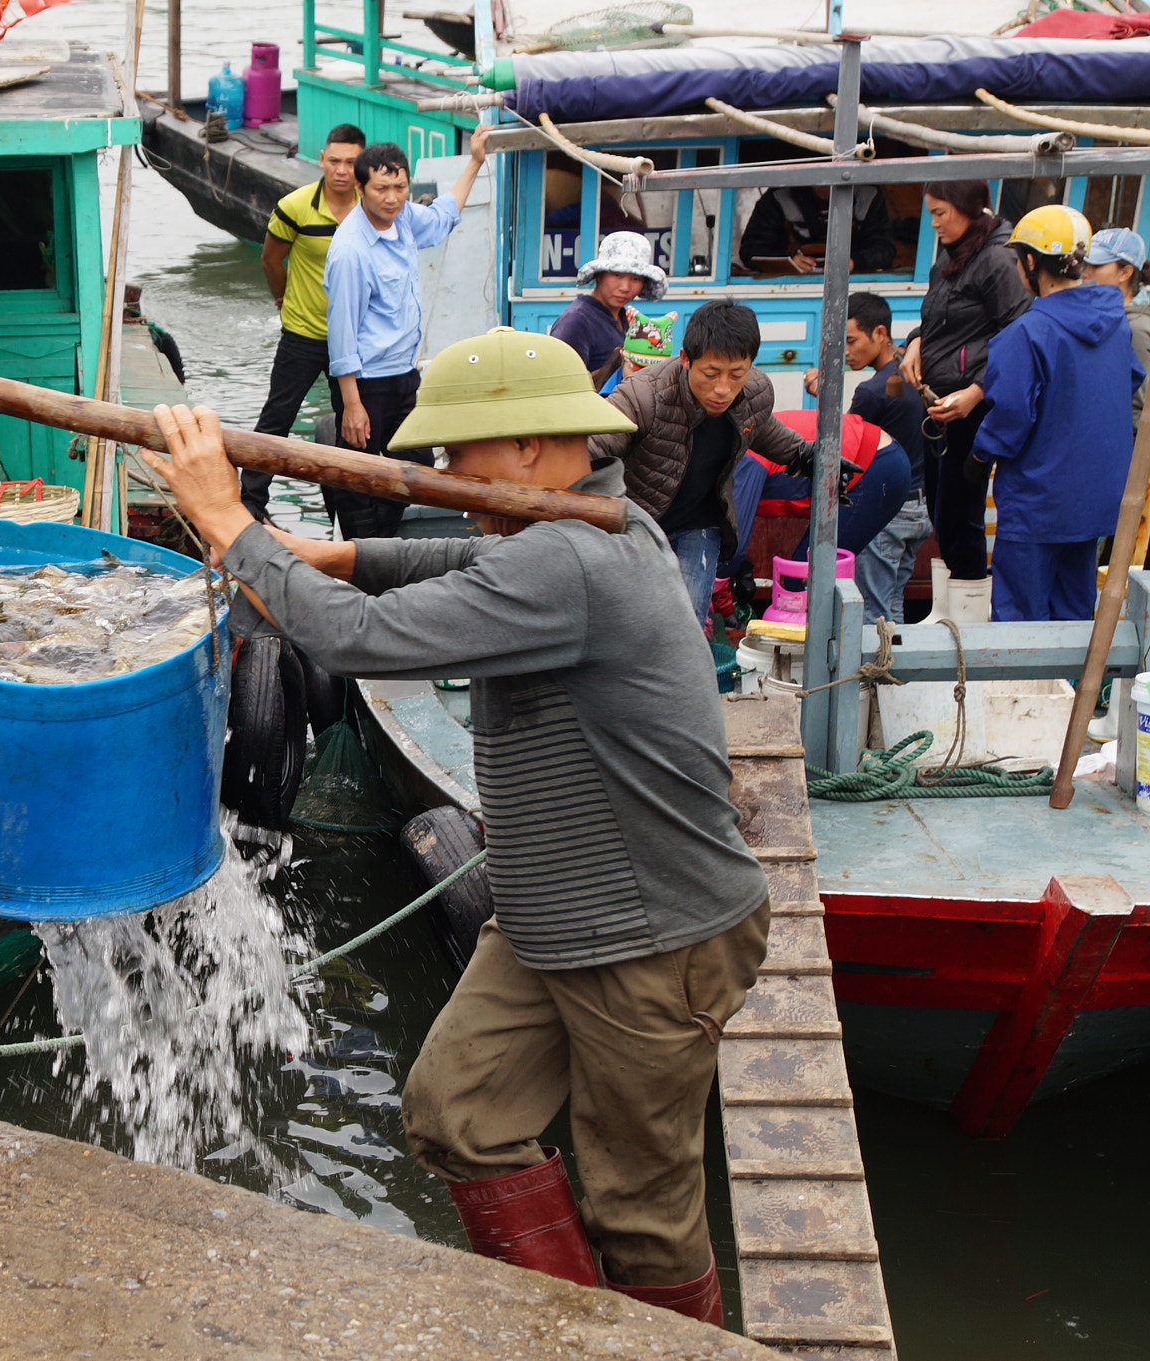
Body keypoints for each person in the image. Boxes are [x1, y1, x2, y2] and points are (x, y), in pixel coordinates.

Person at [141, 330, 769, 1327]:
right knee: (455, 1114)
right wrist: (335, 551)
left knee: (638, 1211)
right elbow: (461, 551)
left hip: (649, 935)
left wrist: (226, 518)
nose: (443, 476)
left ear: (525, 446)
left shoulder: (569, 561)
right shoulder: (602, 523)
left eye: (456, 455)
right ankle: (569, 1330)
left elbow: (352, 637)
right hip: (548, 914)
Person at [589, 300, 821, 619]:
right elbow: (595, 446)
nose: (722, 389)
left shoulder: (754, 392)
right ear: (686, 359)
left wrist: (807, 457)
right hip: (637, 525)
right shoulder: (642, 396)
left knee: (688, 623)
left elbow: (763, 429)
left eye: (736, 374)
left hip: (700, 526)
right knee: (631, 622)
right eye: (711, 374)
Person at [971, 205, 1142, 622]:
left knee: (1019, 625)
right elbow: (1129, 383)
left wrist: (977, 458)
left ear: (1031, 262)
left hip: (1037, 504)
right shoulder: (1116, 325)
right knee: (1075, 618)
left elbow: (1010, 414)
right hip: (1094, 504)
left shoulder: (1027, 332)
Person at [323, 129, 489, 539]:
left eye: (400, 187)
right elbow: (341, 333)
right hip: (363, 381)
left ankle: (388, 544)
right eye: (381, 189)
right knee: (358, 476)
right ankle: (361, 555)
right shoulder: (350, 251)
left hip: (403, 374)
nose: (392, 197)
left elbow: (445, 215)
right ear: (361, 188)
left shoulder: (405, 220)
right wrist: (351, 405)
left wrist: (475, 161)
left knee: (416, 464)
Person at [901, 181, 1028, 622]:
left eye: (940, 213)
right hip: (938, 405)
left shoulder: (996, 258)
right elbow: (935, 319)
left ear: (968, 209)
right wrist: (916, 341)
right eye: (930, 213)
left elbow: (1018, 335)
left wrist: (976, 393)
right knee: (940, 507)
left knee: (961, 510)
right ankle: (949, 608)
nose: (933, 224)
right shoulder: (949, 257)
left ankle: (969, 619)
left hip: (971, 407)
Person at [242, 122, 365, 521]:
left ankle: (355, 505)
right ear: (322, 161)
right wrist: (282, 298)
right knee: (278, 417)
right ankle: (251, 502)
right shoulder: (295, 207)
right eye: (335, 161)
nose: (342, 170)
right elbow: (270, 259)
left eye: (351, 162)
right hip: (303, 333)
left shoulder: (374, 206)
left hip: (358, 339)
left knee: (359, 423)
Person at [803, 292, 931, 621]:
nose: (845, 351)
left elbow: (845, 445)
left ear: (880, 333)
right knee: (893, 604)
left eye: (850, 340)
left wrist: (824, 395)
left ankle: (874, 673)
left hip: (888, 511)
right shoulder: (908, 374)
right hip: (921, 507)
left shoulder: (871, 392)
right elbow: (895, 401)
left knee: (874, 613)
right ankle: (899, 670)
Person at [724, 409, 910, 602]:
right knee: (807, 575)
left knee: (805, 576)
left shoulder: (744, 459)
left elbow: (733, 543)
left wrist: (722, 591)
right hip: (875, 458)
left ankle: (826, 631)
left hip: (874, 466)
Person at [551, 231, 665, 388]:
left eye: (636, 279)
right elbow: (561, 386)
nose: (625, 287)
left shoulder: (626, 318)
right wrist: (617, 366)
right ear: (599, 275)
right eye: (617, 275)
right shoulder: (576, 320)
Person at [736, 184, 896, 275]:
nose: (825, 184)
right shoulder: (779, 197)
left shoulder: (867, 196)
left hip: (854, 288)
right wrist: (788, 262)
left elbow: (884, 248)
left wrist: (853, 263)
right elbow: (751, 250)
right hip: (790, 289)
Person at [1085, 227, 1150, 431]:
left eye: (1096, 264)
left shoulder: (1136, 327)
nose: (1085, 272)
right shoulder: (1095, 315)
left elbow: (1136, 408)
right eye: (1085, 263)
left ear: (1126, 272)